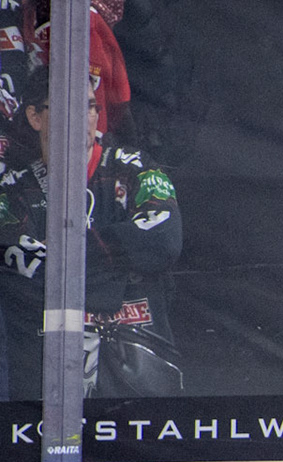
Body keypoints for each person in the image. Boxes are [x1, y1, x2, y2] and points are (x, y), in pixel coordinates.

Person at [0, 65, 181, 399]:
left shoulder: (135, 168)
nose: (82, 116)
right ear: (35, 116)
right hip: (45, 390)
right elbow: (11, 269)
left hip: (137, 380)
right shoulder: (13, 187)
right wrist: (120, 273)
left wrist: (62, 261)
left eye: (89, 106)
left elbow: (163, 240)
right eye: (67, 106)